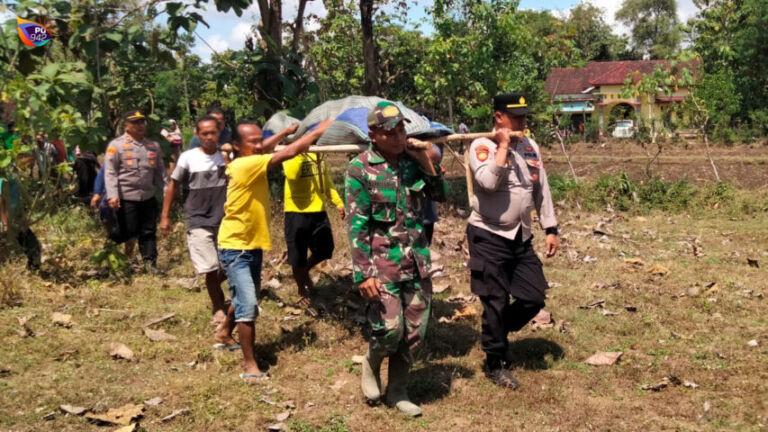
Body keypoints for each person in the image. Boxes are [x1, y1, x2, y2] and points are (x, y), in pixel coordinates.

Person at [345, 102, 445, 417]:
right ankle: (372, 362)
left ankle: (398, 390)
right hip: (382, 265)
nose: (399, 136)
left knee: (415, 333)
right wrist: (364, 274)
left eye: (401, 129)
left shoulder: (412, 161)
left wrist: (425, 157)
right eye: (390, 133)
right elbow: (357, 226)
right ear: (373, 135)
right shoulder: (360, 169)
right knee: (389, 331)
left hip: (417, 260)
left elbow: (439, 195)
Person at [215, 118, 333, 384]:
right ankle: (251, 366)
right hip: (236, 247)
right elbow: (289, 152)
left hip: (251, 244)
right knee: (248, 304)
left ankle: (224, 331)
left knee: (246, 295)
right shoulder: (246, 165)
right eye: (253, 142)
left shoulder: (246, 158)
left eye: (260, 140)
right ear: (237, 146)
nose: (260, 145)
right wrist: (319, 130)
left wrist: (284, 132)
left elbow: (265, 147)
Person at [466, 93, 559, 389]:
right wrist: (503, 146)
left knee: (534, 296)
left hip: (521, 234)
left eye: (524, 116)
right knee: (495, 299)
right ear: (499, 117)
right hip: (488, 234)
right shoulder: (481, 146)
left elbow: (541, 187)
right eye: (516, 117)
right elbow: (488, 183)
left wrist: (550, 227)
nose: (522, 121)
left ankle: (496, 331)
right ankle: (495, 361)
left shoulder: (530, 146)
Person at [159, 116, 230, 329]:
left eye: (213, 133)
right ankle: (218, 306)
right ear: (197, 134)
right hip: (198, 218)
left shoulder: (226, 156)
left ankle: (219, 293)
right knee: (210, 267)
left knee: (228, 265)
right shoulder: (188, 158)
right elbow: (173, 185)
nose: (209, 137)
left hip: (225, 218)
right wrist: (165, 216)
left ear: (219, 133)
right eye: (204, 133)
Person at [282, 144, 345, 315]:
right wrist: (300, 152)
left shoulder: (319, 155)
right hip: (296, 212)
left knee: (325, 249)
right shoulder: (291, 154)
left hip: (318, 211)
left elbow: (326, 182)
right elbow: (292, 174)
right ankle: (301, 287)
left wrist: (338, 202)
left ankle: (304, 271)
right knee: (297, 255)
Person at [104, 110, 167, 274]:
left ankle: (150, 263)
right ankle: (108, 249)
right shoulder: (116, 146)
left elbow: (160, 173)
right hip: (126, 197)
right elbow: (110, 172)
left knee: (148, 230)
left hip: (147, 196)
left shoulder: (153, 146)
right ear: (127, 126)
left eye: (142, 122)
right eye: (135, 123)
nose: (140, 125)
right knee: (128, 230)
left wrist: (167, 192)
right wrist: (113, 195)